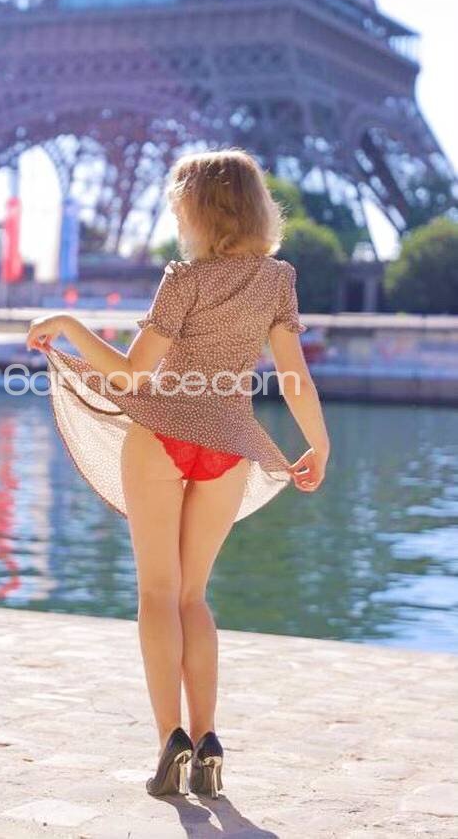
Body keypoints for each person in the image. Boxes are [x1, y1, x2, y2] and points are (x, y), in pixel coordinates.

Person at [26, 147, 330, 799]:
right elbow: (294, 378)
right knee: (194, 597)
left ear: (198, 212)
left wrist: (71, 325)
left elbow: (132, 376)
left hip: (162, 434)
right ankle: (209, 737)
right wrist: (319, 444)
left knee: (158, 596)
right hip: (228, 444)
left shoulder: (183, 278)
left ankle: (171, 740)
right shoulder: (278, 279)